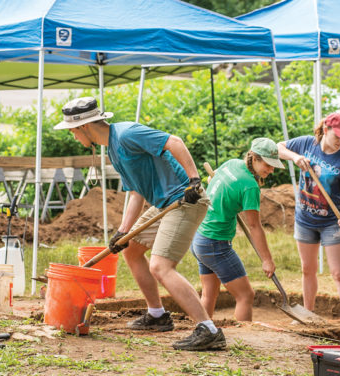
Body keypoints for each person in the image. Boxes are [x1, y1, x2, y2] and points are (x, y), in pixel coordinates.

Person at [54, 97, 225, 351]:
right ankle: (157, 315)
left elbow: (174, 142)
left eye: (72, 131)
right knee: (131, 249)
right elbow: (136, 192)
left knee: (161, 266)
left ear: (84, 127)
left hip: (184, 200)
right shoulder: (112, 148)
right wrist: (122, 232)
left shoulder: (126, 134)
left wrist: (194, 180)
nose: (73, 136)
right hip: (163, 203)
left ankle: (208, 330)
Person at [277, 112, 340, 322]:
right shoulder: (306, 144)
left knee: (339, 273)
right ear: (325, 130)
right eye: (337, 136)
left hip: (332, 223)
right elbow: (278, 147)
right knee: (307, 269)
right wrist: (295, 157)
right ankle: (307, 315)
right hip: (305, 220)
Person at [191, 138, 281, 322]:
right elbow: (254, 226)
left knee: (209, 293)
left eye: (273, 166)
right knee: (245, 295)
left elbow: (211, 179)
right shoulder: (250, 186)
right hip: (215, 243)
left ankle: (202, 331)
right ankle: (243, 342)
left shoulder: (232, 163)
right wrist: (267, 260)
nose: (271, 170)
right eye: (268, 164)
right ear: (254, 158)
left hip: (200, 238)